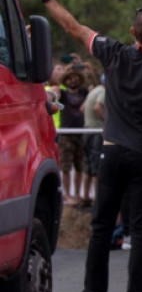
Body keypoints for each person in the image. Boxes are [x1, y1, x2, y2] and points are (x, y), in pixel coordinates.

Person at [23, 0, 142, 292]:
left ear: (131, 32)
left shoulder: (113, 53)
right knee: (139, 232)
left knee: (100, 228)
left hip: (111, 152)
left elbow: (72, 26)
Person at [57, 62, 89, 205]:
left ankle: (77, 194)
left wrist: (83, 67)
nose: (73, 80)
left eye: (75, 77)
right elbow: (56, 86)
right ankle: (67, 194)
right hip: (66, 134)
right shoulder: (63, 94)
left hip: (81, 133)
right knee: (66, 166)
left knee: (79, 166)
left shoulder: (84, 93)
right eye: (70, 78)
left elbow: (93, 82)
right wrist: (67, 69)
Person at [81, 66, 106, 207]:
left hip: (86, 130)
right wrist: (106, 121)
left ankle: (85, 196)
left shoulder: (94, 91)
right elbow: (97, 107)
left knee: (88, 165)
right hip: (96, 132)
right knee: (96, 166)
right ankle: (97, 199)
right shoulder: (103, 92)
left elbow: (83, 108)